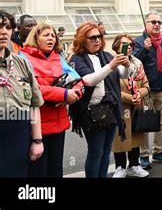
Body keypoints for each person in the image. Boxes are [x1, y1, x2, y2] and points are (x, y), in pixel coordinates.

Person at [20, 23, 83, 178]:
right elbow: (30, 90)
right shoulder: (23, 58)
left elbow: (77, 81)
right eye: (46, 35)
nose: (51, 38)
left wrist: (75, 95)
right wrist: (62, 94)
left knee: (55, 171)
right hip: (36, 128)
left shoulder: (57, 58)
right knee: (37, 173)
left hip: (59, 125)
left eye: (53, 36)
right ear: (35, 37)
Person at [69, 23, 130, 178]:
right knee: (96, 152)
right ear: (83, 39)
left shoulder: (105, 55)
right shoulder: (77, 58)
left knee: (105, 151)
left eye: (99, 37)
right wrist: (111, 65)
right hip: (91, 111)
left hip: (110, 108)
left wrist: (127, 65)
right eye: (93, 37)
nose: (97, 40)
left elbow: (123, 75)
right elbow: (88, 80)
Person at [0, 10, 44, 177]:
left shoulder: (21, 63)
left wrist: (37, 140)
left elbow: (34, 103)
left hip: (19, 134)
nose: (4, 31)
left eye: (8, 27)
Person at [134, 12, 162, 169]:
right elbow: (133, 62)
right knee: (144, 123)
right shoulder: (139, 42)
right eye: (153, 22)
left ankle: (158, 152)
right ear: (146, 24)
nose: (157, 25)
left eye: (159, 22)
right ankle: (144, 155)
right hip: (145, 90)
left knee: (161, 123)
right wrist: (144, 49)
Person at [111, 35, 150, 178]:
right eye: (124, 44)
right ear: (116, 46)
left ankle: (134, 165)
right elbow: (111, 88)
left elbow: (146, 85)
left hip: (137, 105)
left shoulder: (138, 63)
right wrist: (128, 97)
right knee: (120, 136)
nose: (129, 47)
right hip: (119, 106)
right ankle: (120, 167)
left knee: (136, 135)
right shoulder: (112, 63)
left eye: (130, 45)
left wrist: (140, 93)